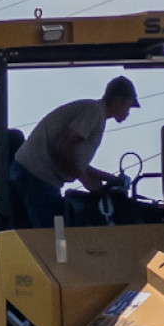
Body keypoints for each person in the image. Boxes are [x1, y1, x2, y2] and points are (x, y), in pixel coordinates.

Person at [11, 75, 140, 228]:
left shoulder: (95, 113)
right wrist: (87, 181)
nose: (128, 112)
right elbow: (62, 148)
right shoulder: (94, 112)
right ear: (120, 100)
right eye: (129, 106)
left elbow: (75, 159)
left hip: (30, 174)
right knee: (51, 238)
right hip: (37, 177)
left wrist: (109, 179)